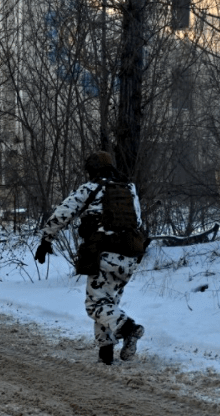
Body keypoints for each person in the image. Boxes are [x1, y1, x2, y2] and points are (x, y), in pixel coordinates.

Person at [34, 151, 147, 366]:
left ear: (92, 169)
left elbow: (62, 213)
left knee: (94, 305)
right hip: (130, 254)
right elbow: (138, 221)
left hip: (104, 253)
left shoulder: (90, 188)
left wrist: (46, 239)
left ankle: (128, 328)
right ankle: (106, 352)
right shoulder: (129, 188)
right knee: (107, 301)